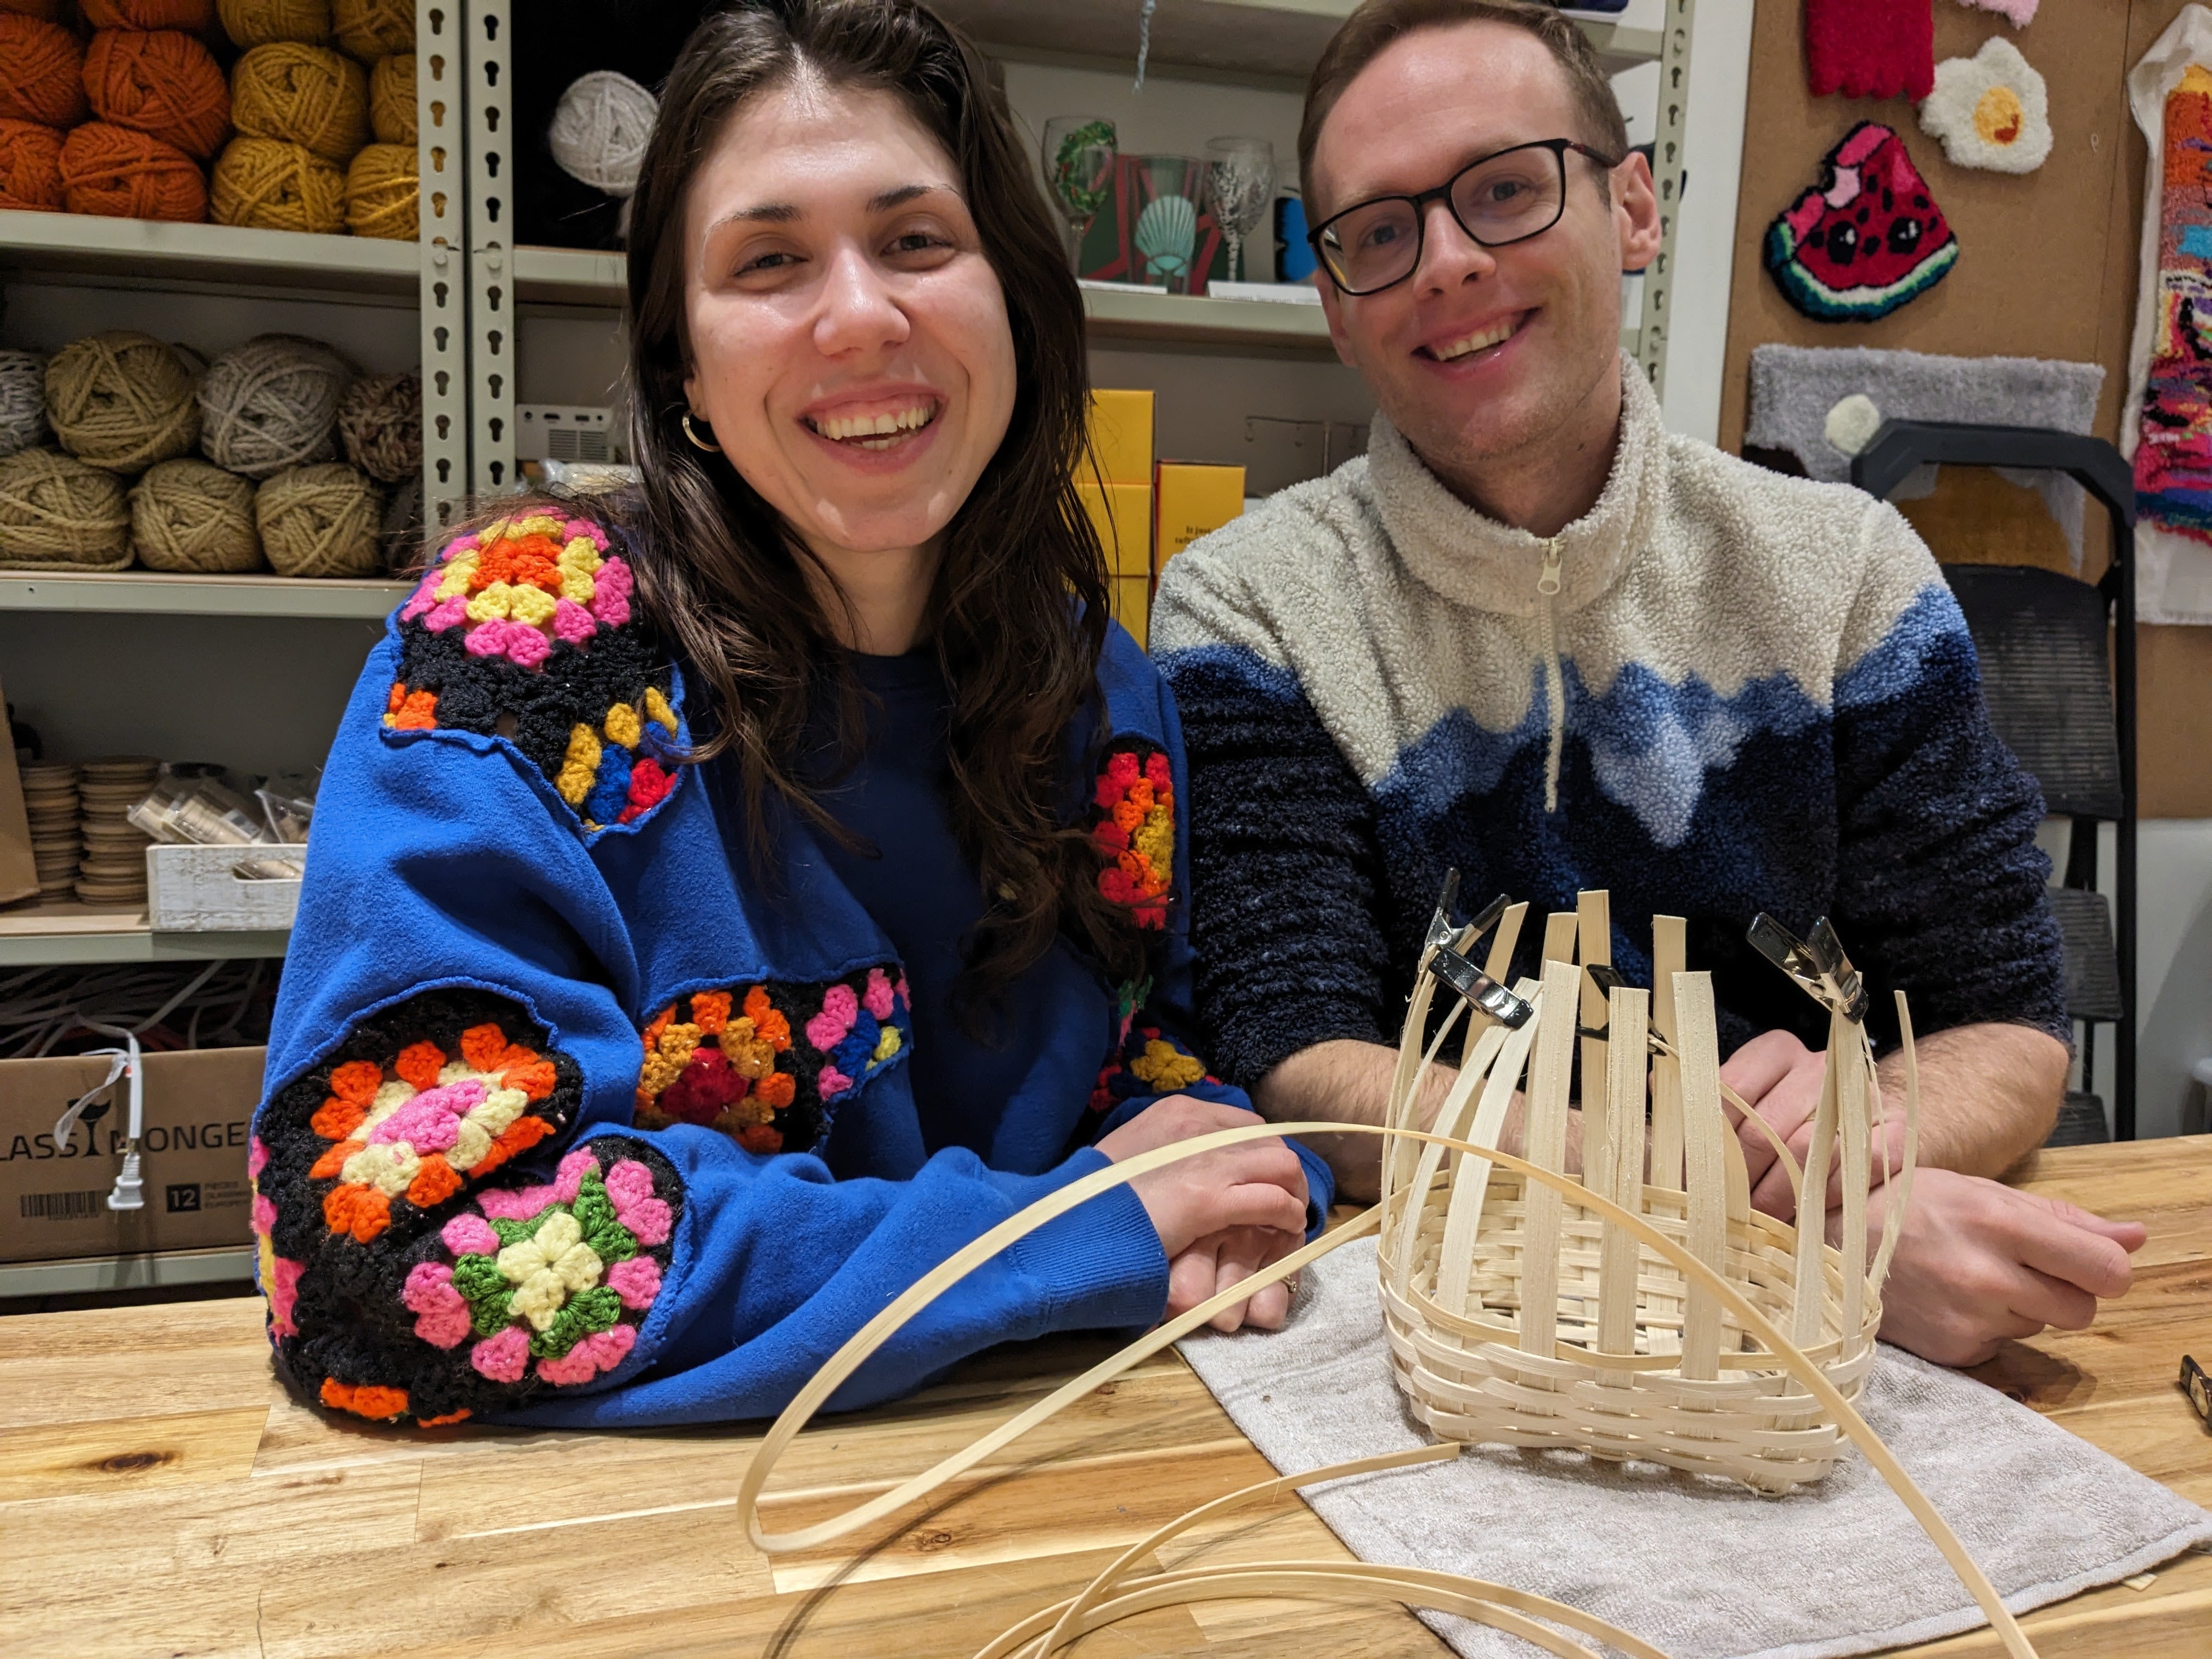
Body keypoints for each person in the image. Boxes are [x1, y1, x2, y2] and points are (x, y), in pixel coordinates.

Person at [249, 0, 1323, 1431]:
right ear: (684, 368)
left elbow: (1142, 1070)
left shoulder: (1097, 683)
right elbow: (385, 1255)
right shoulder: (514, 655)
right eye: (770, 261)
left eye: (918, 241)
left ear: (1013, 300)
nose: (862, 313)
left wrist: (1231, 1168)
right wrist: (1069, 1235)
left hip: (1039, 1461)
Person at [1152, 0, 2144, 1368]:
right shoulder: (1247, 605)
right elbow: (1301, 1056)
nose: (1445, 262)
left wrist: (1875, 1133)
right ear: (1334, 303)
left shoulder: (1848, 572)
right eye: (1380, 232)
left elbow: (2008, 1024)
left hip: (1845, 1346)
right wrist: (1738, 1203)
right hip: (1454, 1343)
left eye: (1504, 190)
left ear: (1632, 209)